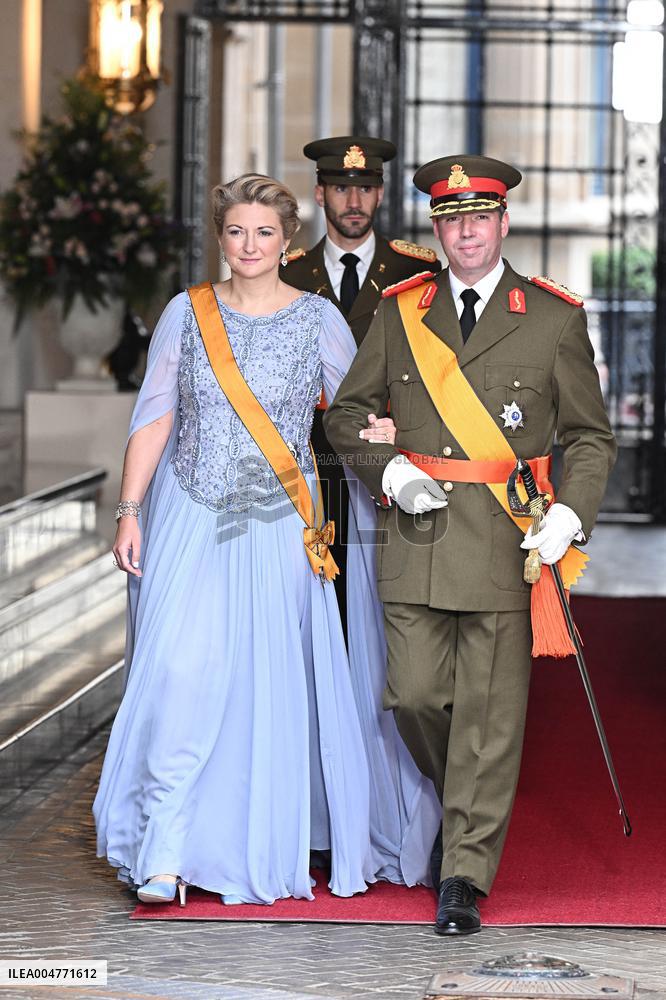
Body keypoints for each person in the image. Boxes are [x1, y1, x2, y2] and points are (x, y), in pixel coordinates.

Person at [324, 155, 617, 934]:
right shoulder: (399, 311)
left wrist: (570, 515)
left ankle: (463, 871)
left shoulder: (552, 316)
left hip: (505, 542)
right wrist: (387, 471)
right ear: (437, 229)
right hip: (417, 535)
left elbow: (590, 436)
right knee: (412, 695)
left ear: (502, 224)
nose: (466, 232)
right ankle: (468, 809)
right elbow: (346, 415)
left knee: (490, 715)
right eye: (452, 220)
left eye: (479, 218)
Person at [94, 174, 388, 906]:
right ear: (219, 237)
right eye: (236, 232)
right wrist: (130, 508)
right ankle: (162, 846)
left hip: (280, 526)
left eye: (264, 232)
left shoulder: (319, 319)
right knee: (180, 673)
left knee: (260, 686)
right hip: (189, 515)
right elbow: (155, 417)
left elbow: (352, 412)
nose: (249, 245)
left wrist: (390, 432)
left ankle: (235, 844)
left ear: (288, 240)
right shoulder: (186, 313)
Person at [282, 136, 442, 613]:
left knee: (392, 583)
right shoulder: (289, 274)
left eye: (365, 189)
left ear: (380, 193)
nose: (353, 202)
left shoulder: (419, 270)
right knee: (319, 578)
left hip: (392, 443)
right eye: (339, 188)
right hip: (312, 450)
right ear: (318, 194)